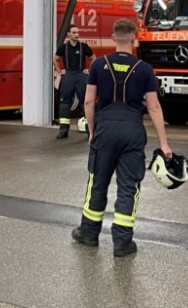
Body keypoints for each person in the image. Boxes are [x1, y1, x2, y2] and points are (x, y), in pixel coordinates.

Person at [71, 19, 173, 258]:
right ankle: (122, 242)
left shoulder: (98, 64)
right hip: (132, 130)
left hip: (105, 127)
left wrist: (92, 131)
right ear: (134, 39)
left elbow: (88, 101)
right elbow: (154, 107)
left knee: (98, 181)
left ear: (113, 37)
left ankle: (88, 232)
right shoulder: (144, 69)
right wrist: (164, 143)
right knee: (129, 185)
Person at [53, 25, 94, 139]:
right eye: (74, 32)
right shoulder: (64, 47)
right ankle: (63, 130)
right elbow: (55, 59)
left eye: (78, 32)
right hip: (68, 75)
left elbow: (94, 58)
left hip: (81, 75)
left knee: (84, 102)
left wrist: (89, 70)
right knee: (65, 103)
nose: (77, 34)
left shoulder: (84, 47)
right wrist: (59, 71)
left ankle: (89, 130)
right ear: (68, 34)